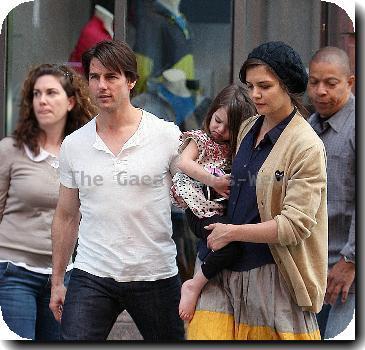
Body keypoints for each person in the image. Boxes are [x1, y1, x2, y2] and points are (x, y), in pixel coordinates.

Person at [184, 41, 328, 340]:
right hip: (222, 266)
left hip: (270, 274)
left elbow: (293, 226)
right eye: (250, 85)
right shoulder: (249, 126)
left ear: (287, 85)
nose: (255, 95)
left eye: (265, 86)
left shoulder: (306, 145)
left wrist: (233, 232)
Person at [49, 40, 185, 341]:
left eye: (111, 77)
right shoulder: (74, 144)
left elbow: (191, 197)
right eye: (94, 77)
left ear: (131, 80)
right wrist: (58, 280)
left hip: (155, 272)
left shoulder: (165, 135)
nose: (101, 85)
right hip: (93, 272)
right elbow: (66, 216)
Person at [0, 64, 95, 340]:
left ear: (71, 102)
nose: (42, 100)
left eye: (51, 93)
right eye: (37, 94)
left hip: (64, 277)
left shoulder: (83, 155)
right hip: (13, 272)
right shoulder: (11, 150)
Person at [172, 84, 256, 321]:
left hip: (219, 209)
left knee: (232, 246)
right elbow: (183, 163)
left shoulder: (235, 150)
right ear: (211, 112)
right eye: (217, 120)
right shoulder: (200, 140)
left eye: (229, 128)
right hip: (198, 207)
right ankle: (193, 285)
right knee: (230, 246)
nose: (219, 129)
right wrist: (213, 180)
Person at [307, 46, 355, 339]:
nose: (320, 91)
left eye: (331, 83)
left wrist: (351, 261)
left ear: (350, 82)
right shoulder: (309, 127)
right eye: (314, 82)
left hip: (348, 270)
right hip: (313, 270)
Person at [133, 0, 195, 93]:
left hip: (181, 98)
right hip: (162, 101)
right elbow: (142, 71)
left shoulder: (181, 20)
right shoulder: (151, 20)